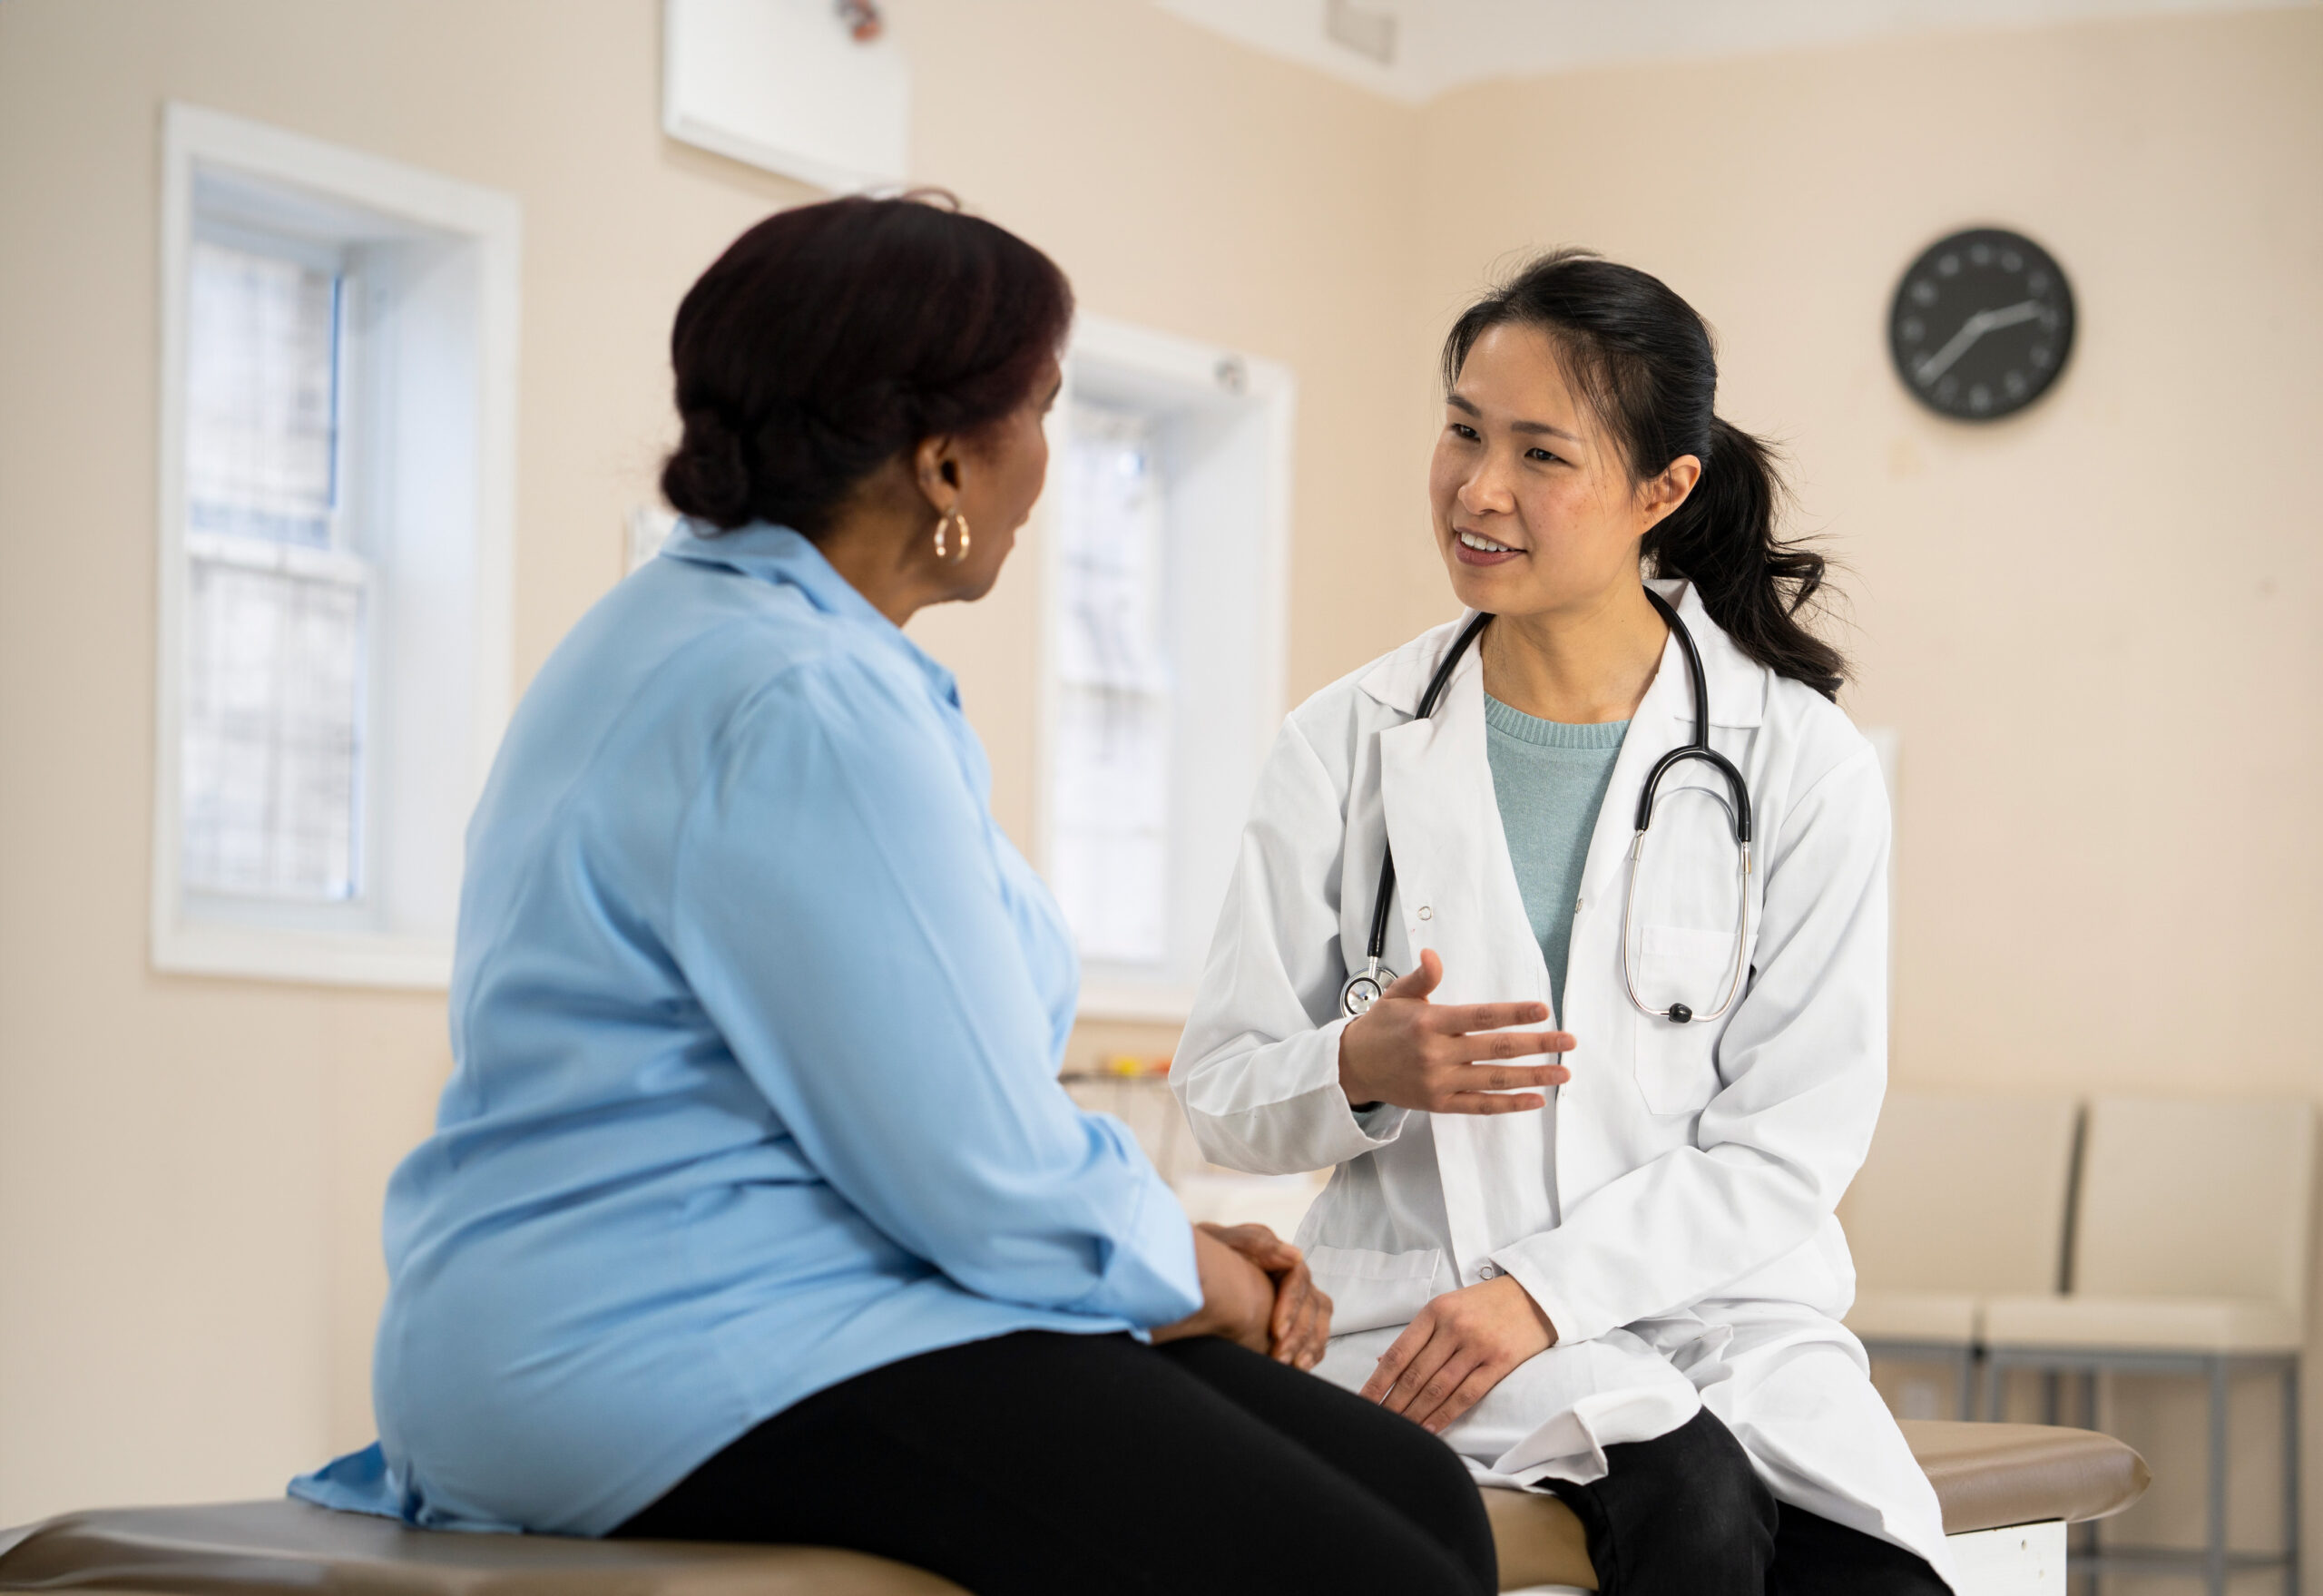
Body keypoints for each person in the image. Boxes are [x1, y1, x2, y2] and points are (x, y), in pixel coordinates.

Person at [289, 195, 1496, 1596]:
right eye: (1041, 412)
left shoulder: (706, 629)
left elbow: (922, 1123)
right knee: (1373, 1574)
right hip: (659, 1349)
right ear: (942, 462)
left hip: (756, 1303)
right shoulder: (805, 702)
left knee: (1415, 1495)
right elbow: (980, 1178)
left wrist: (1160, 1250)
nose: (1048, 467)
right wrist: (1214, 1280)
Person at [1172, 250, 1956, 1595]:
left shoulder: (1797, 761)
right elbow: (1224, 1097)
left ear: (1665, 491)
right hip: (1432, 1316)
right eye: (1465, 431)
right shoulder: (1345, 745)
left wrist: (1547, 1289)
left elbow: (1790, 1142)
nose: (1480, 490)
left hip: (1723, 1324)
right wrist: (1355, 1069)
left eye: (1543, 454)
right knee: (1689, 1510)